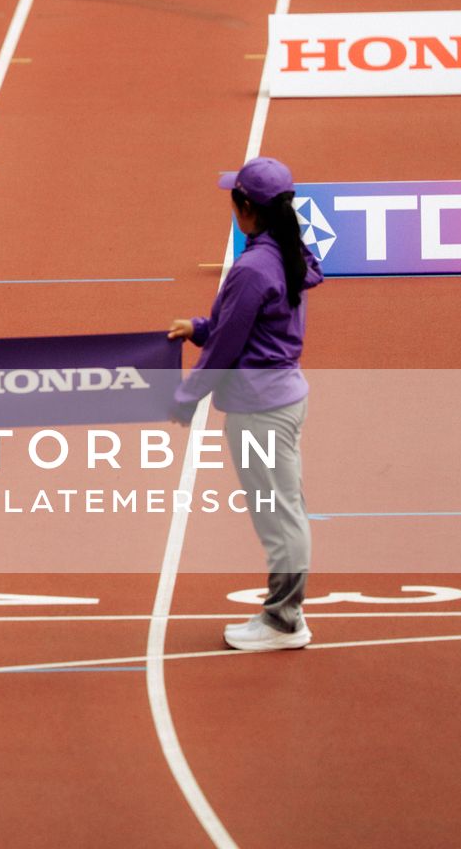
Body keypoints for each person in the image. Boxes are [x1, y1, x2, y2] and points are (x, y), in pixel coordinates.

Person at [168, 156, 323, 652]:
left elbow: (231, 343)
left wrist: (186, 397)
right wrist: (200, 327)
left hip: (260, 410)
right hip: (279, 397)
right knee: (283, 511)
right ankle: (285, 614)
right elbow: (251, 326)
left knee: (279, 517)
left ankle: (284, 620)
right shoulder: (284, 251)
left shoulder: (253, 266)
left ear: (246, 207)